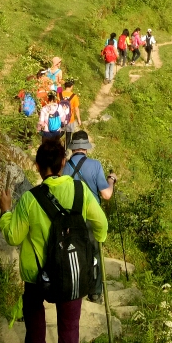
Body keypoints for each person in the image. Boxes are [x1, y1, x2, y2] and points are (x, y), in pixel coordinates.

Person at [0, 138, 107, 343]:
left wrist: (6, 211)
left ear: (37, 166)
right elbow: (101, 224)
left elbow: (14, 237)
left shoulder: (29, 199)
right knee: (69, 324)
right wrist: (95, 244)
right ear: (64, 163)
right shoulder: (81, 191)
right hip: (72, 272)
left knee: (33, 307)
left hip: (39, 275)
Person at [62, 130, 117, 304]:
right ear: (86, 147)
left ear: (72, 148)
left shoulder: (64, 166)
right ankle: (95, 293)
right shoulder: (95, 165)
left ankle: (75, 287)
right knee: (94, 254)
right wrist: (111, 181)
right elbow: (106, 195)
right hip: (92, 217)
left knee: (73, 252)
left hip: (71, 218)